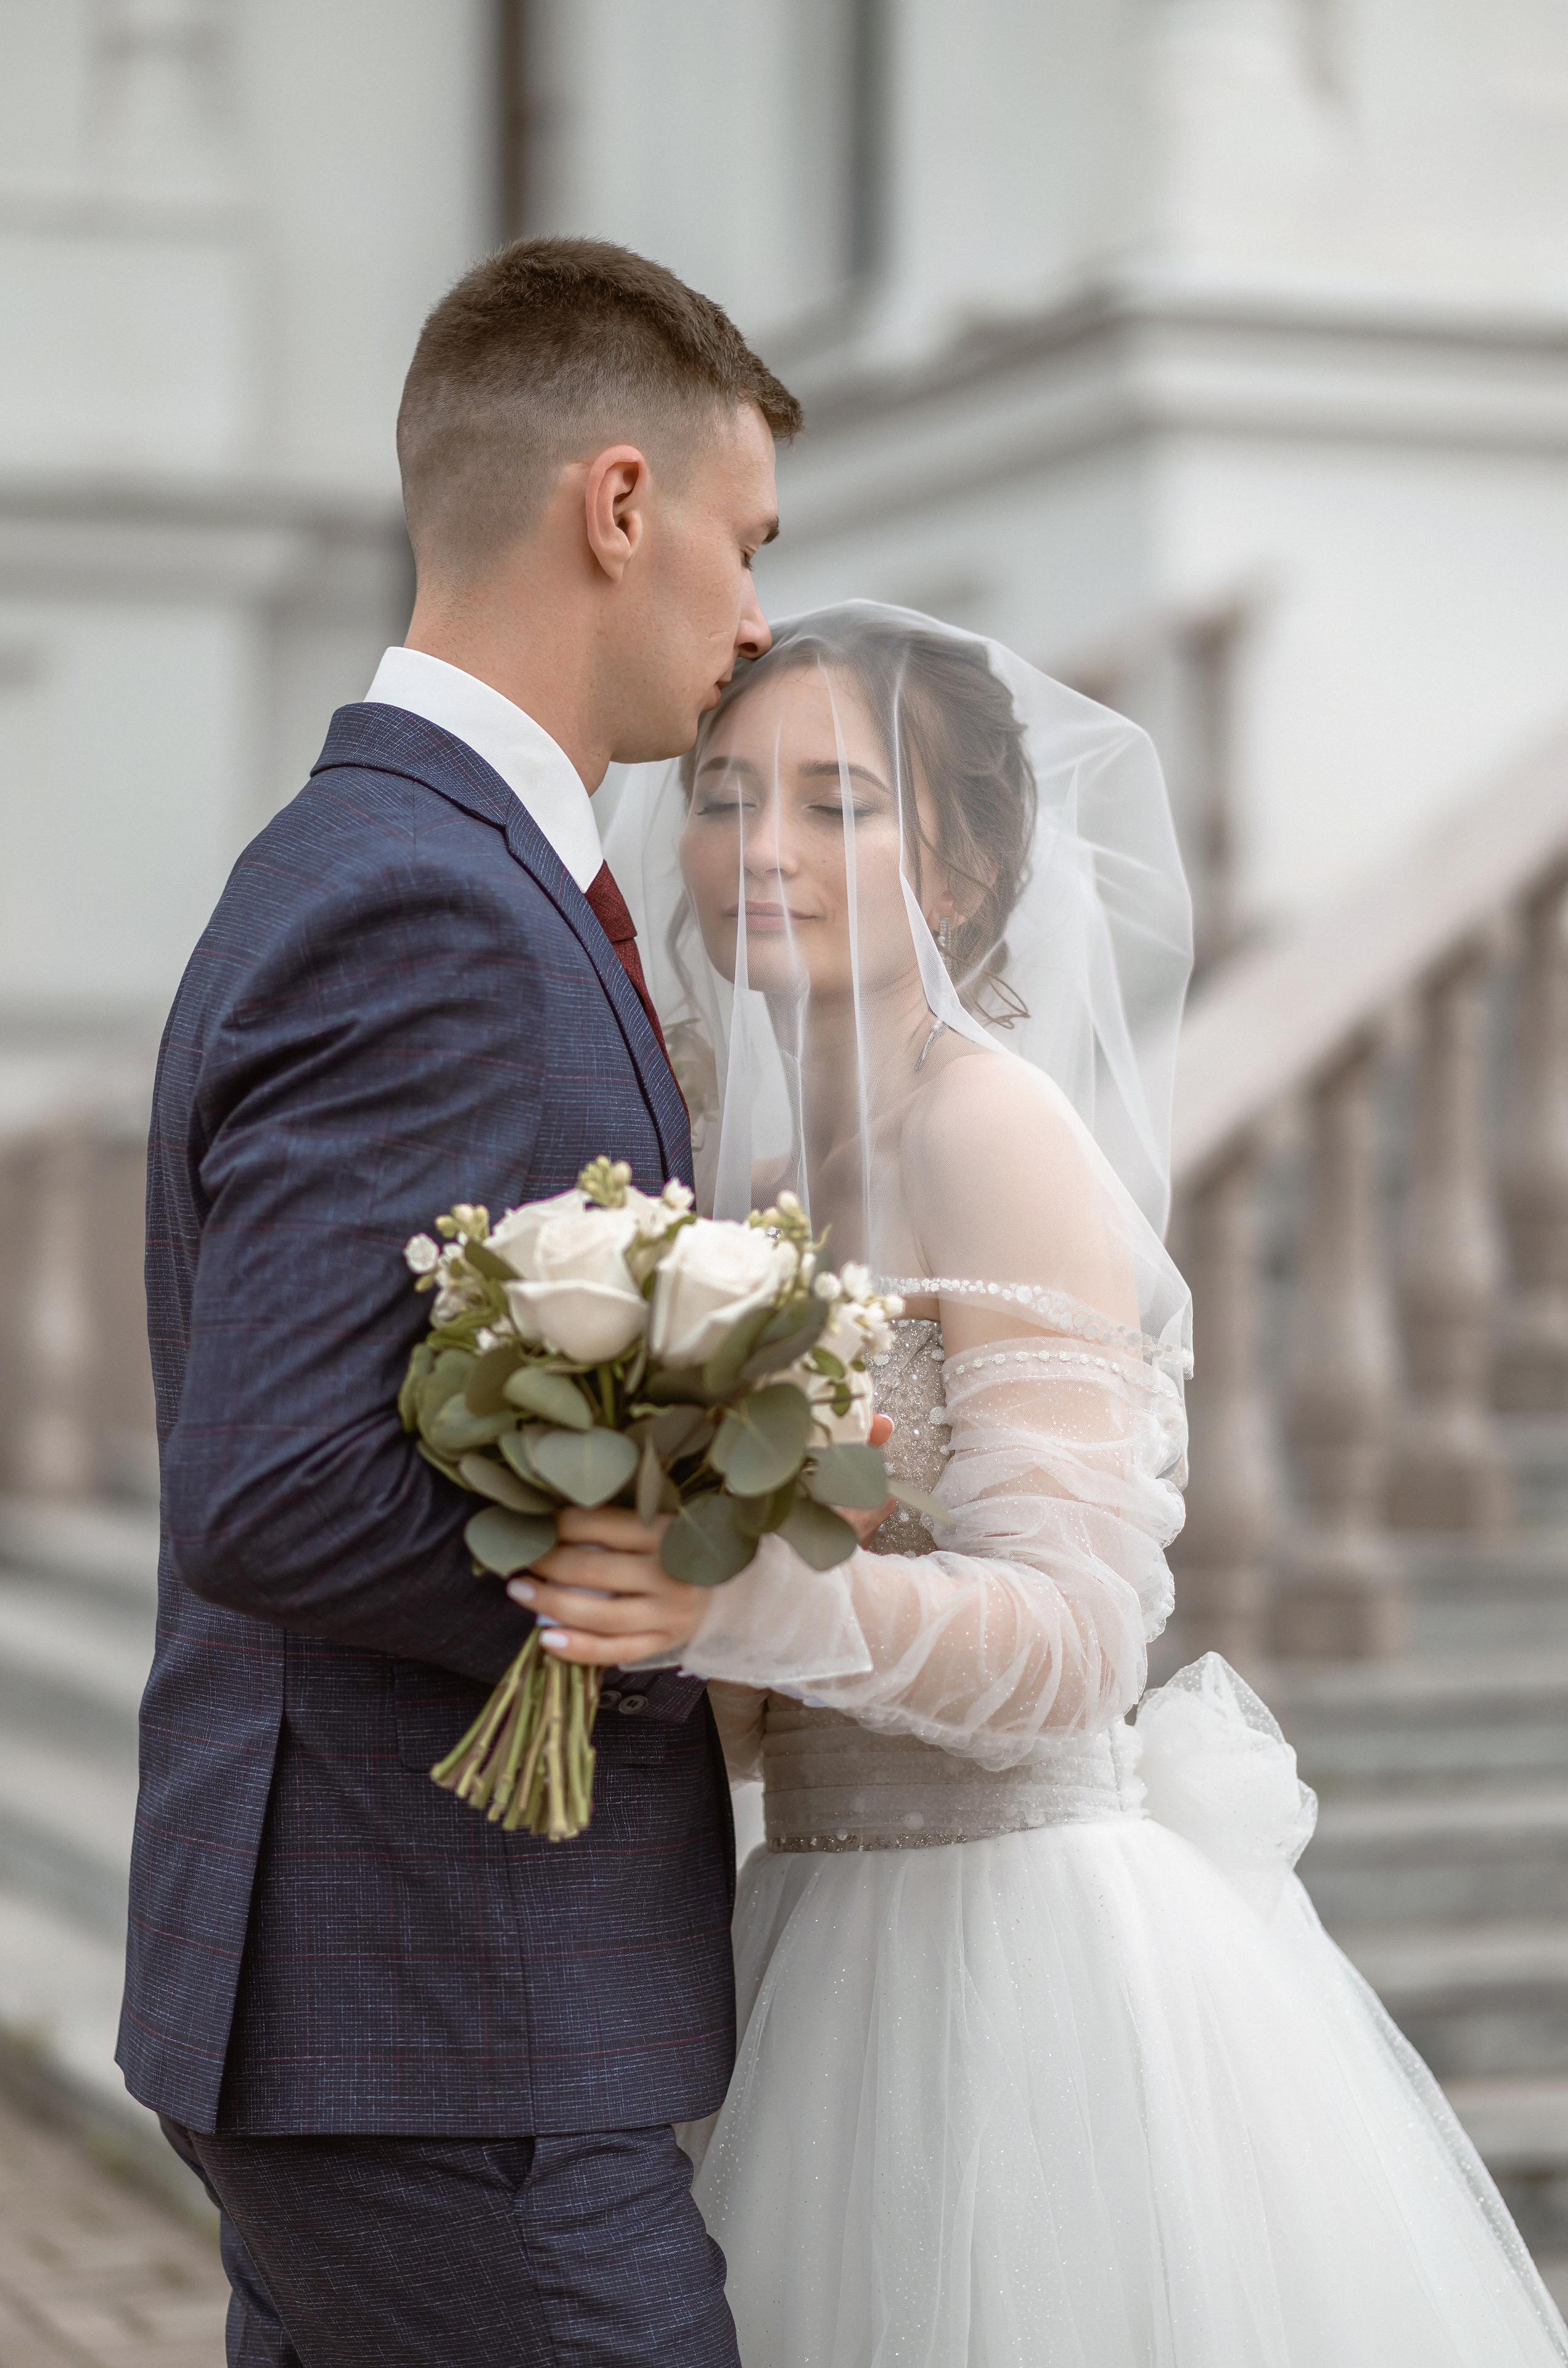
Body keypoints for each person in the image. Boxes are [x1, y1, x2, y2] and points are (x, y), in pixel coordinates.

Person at [517, 602, 1568, 2364]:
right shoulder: (746, 1157)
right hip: (815, 1927)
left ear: (970, 865)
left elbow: (1079, 1639)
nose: (758, 847)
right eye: (722, 793)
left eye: (837, 803)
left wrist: (725, 1598)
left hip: (1004, 1959)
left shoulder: (981, 1126)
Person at [120, 235, 810, 2368]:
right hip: (439, 2025)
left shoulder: (400, 858)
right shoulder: (427, 896)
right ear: (618, 506)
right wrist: (686, 1589)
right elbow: (281, 1485)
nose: (760, 612)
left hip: (405, 2008)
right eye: (746, 536)